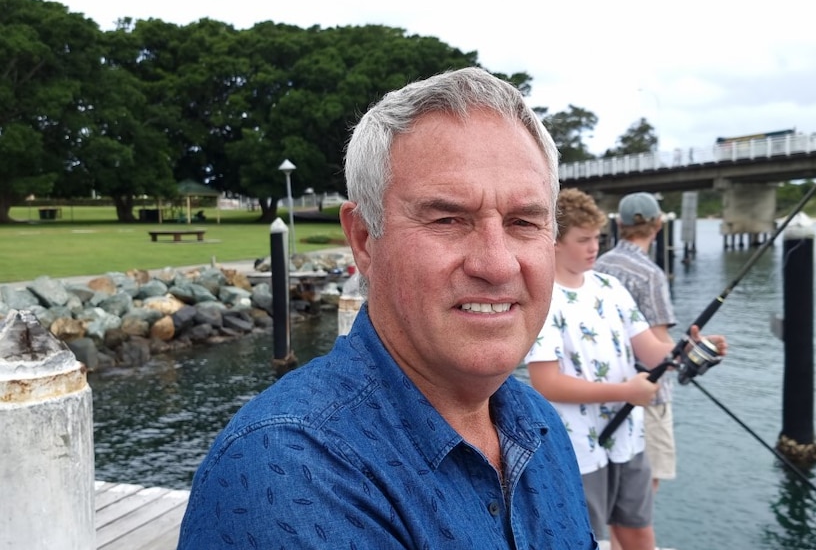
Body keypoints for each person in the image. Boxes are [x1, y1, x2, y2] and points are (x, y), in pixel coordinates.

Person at [177, 68, 598, 549]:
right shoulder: (290, 469)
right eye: (448, 219)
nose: (497, 265)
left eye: (523, 222)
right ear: (363, 239)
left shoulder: (538, 424)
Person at [524, 188, 726, 550]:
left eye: (598, 238)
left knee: (638, 531)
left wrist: (689, 351)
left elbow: (651, 351)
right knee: (590, 540)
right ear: (553, 241)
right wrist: (625, 392)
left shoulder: (611, 286)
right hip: (578, 448)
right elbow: (546, 383)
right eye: (582, 240)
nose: (594, 248)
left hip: (628, 439)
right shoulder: (541, 299)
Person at [595, 192, 677, 495]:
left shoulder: (598, 266)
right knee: (641, 492)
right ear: (658, 224)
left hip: (607, 388)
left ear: (618, 223)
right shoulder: (651, 274)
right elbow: (659, 344)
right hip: (648, 395)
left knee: (614, 487)